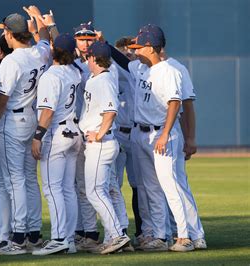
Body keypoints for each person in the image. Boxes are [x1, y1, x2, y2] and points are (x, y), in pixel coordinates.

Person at [0, 7, 50, 254]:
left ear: (11, 34)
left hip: (13, 120)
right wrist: (38, 16)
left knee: (15, 181)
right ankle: (33, 233)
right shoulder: (40, 52)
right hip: (32, 118)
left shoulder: (11, 61)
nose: (5, 35)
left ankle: (19, 236)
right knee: (30, 179)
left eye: (6, 32)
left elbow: (1, 100)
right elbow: (44, 37)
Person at [124, 27, 194, 252]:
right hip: (142, 133)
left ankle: (185, 237)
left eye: (140, 47)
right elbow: (118, 58)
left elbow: (175, 102)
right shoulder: (140, 68)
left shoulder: (169, 70)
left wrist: (164, 134)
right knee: (152, 188)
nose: (135, 52)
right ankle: (160, 235)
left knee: (170, 186)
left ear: (152, 48)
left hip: (162, 134)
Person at [31, 33, 82, 255]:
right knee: (68, 189)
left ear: (54, 50)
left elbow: (48, 112)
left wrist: (37, 137)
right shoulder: (74, 71)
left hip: (57, 133)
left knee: (53, 189)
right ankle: (69, 239)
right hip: (73, 131)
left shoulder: (51, 76)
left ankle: (59, 238)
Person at [78, 41, 131, 254]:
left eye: (87, 57)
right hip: (101, 142)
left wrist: (99, 134)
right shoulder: (97, 78)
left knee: (94, 192)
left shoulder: (105, 80)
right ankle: (115, 236)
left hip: (101, 143)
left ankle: (118, 235)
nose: (86, 60)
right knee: (107, 190)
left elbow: (110, 112)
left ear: (93, 58)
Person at [71, 22, 101, 250]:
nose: (86, 42)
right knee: (71, 185)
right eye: (82, 39)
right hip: (74, 129)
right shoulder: (69, 63)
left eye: (89, 38)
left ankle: (90, 232)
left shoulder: (101, 66)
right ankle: (79, 230)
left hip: (93, 132)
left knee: (86, 185)